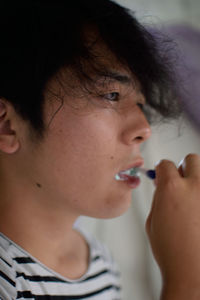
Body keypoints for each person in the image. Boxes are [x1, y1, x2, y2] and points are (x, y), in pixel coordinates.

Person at [0, 0, 199, 299]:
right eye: (111, 94)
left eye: (141, 105)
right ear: (8, 126)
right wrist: (186, 279)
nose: (144, 129)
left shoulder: (98, 262)